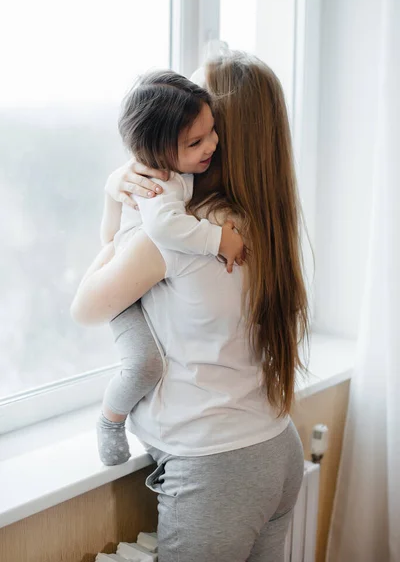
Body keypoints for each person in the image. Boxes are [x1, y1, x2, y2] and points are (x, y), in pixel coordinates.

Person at [71, 51, 308, 562]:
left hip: (219, 468)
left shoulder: (177, 235)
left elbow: (87, 307)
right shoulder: (260, 221)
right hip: (275, 445)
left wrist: (114, 196)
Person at [86, 69, 244, 465]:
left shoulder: (180, 170)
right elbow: (165, 227)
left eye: (212, 131)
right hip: (126, 290)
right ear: (158, 153)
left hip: (136, 270)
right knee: (144, 364)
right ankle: (110, 419)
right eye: (196, 141)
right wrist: (217, 239)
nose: (212, 144)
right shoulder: (159, 184)